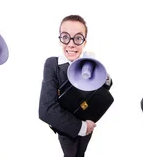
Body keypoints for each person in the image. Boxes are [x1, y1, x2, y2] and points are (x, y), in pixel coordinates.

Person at [38, 14, 113, 157]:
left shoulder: (89, 63)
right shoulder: (52, 64)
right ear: (60, 39)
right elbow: (46, 110)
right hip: (67, 127)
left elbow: (101, 91)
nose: (71, 44)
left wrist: (103, 75)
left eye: (78, 38)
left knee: (81, 153)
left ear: (84, 42)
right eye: (65, 37)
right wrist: (83, 127)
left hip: (89, 119)